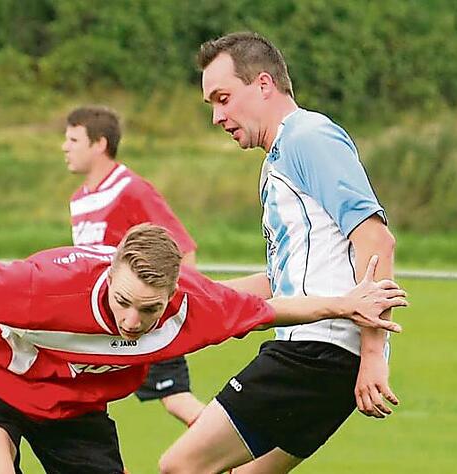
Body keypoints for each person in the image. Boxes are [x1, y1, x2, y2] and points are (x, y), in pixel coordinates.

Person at [0, 223, 406, 473]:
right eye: (124, 302)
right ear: (110, 276)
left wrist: (347, 303)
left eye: (148, 311)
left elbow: (272, 309)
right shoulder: (37, 289)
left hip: (76, 410)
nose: (132, 323)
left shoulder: (192, 307)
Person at [159, 32, 401, 473]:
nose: (217, 116)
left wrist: (372, 356)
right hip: (321, 353)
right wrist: (186, 296)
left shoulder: (309, 137)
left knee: (181, 466)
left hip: (319, 350)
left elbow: (375, 240)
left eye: (223, 98)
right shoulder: (278, 160)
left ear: (264, 85)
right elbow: (281, 281)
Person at [62, 105, 205, 426]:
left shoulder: (131, 189)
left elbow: (183, 250)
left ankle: (240, 453)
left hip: (138, 320)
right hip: (100, 323)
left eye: (73, 139)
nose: (64, 147)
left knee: (176, 399)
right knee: (74, 401)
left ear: (99, 144)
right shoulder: (79, 198)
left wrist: (171, 313)